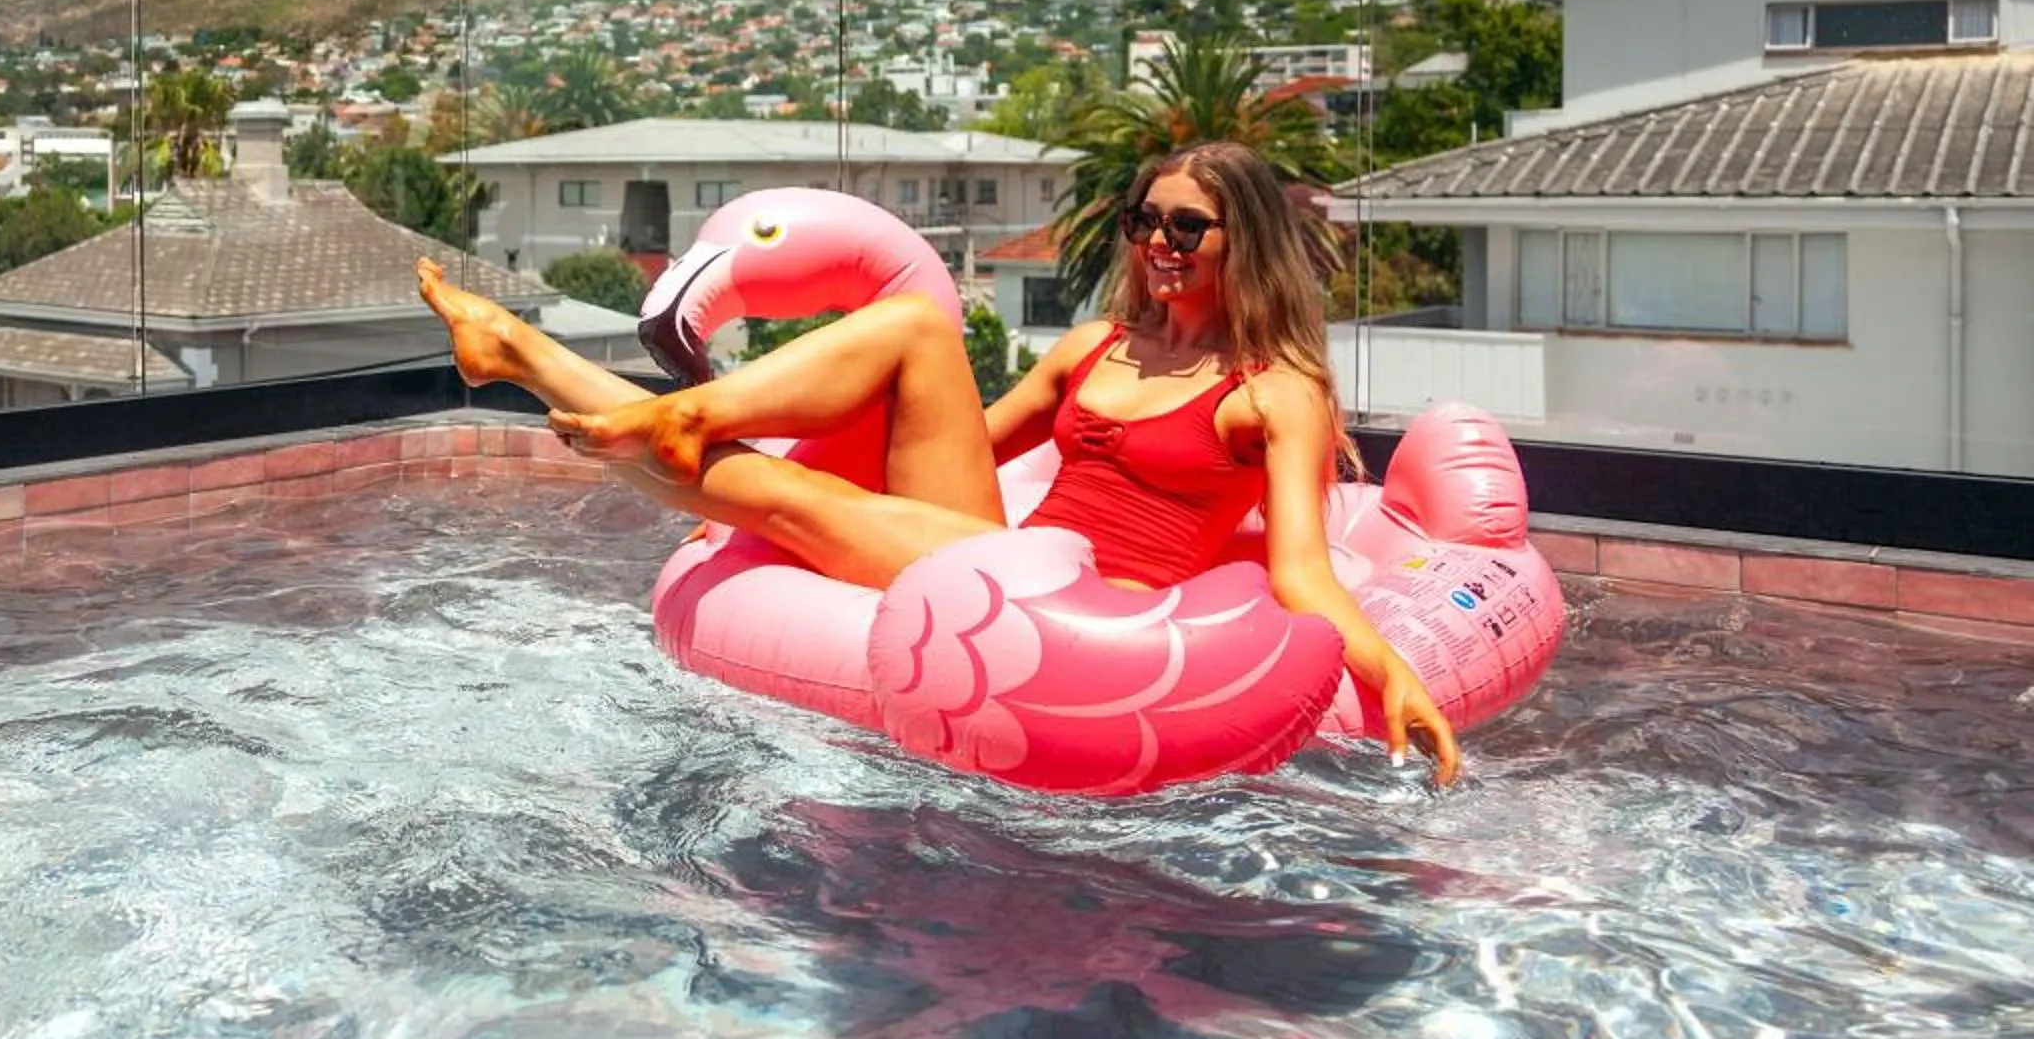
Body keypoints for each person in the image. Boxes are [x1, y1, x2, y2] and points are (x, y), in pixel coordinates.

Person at [416, 140, 1463, 785]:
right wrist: (790, 491)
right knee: (918, 325)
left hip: (1089, 614)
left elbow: (1303, 571)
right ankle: (652, 403)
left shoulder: (1274, 389)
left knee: (779, 490)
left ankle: (534, 359)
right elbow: (966, 439)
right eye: (1145, 219)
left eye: (1188, 225)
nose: (1160, 242)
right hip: (1003, 555)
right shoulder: (1094, 345)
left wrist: (1393, 675)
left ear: (1246, 240)